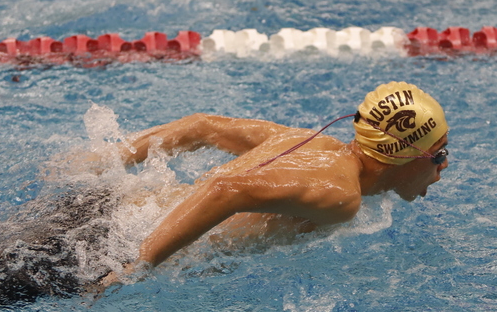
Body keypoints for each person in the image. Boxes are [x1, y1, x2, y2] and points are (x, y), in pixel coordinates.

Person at [96, 81, 449, 287]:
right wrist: (139, 266)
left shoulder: (311, 141)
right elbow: (228, 190)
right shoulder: (342, 196)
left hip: (107, 209)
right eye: (438, 153)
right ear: (404, 154)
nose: (444, 166)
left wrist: (98, 162)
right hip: (113, 246)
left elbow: (201, 126)